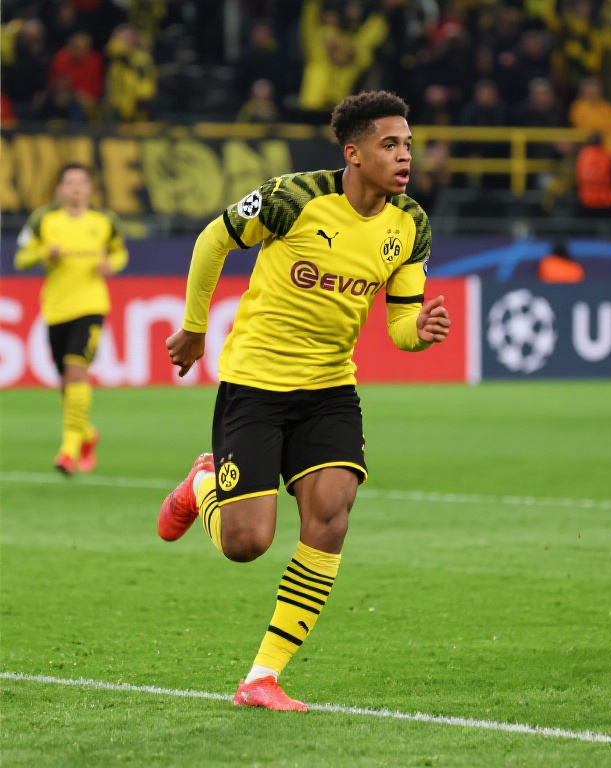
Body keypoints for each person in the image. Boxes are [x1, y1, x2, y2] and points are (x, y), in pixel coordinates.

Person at [157, 90, 451, 712]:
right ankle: (202, 484)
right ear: (354, 152)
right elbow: (213, 239)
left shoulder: (411, 225)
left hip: (329, 388)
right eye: (390, 145)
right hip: (256, 382)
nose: (405, 156)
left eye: (408, 145)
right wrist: (195, 327)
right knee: (246, 542)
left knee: (331, 517)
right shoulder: (293, 198)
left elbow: (400, 326)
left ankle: (261, 677)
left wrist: (420, 332)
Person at [14, 163, 128, 476]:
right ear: (60, 189)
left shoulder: (104, 221)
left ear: (89, 188)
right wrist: (43, 254)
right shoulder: (43, 220)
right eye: (70, 183)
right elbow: (20, 258)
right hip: (56, 309)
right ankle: (88, 434)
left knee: (77, 370)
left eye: (81, 183)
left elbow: (120, 253)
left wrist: (111, 264)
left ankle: (68, 450)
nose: (76, 189)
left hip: (91, 305)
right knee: (66, 384)